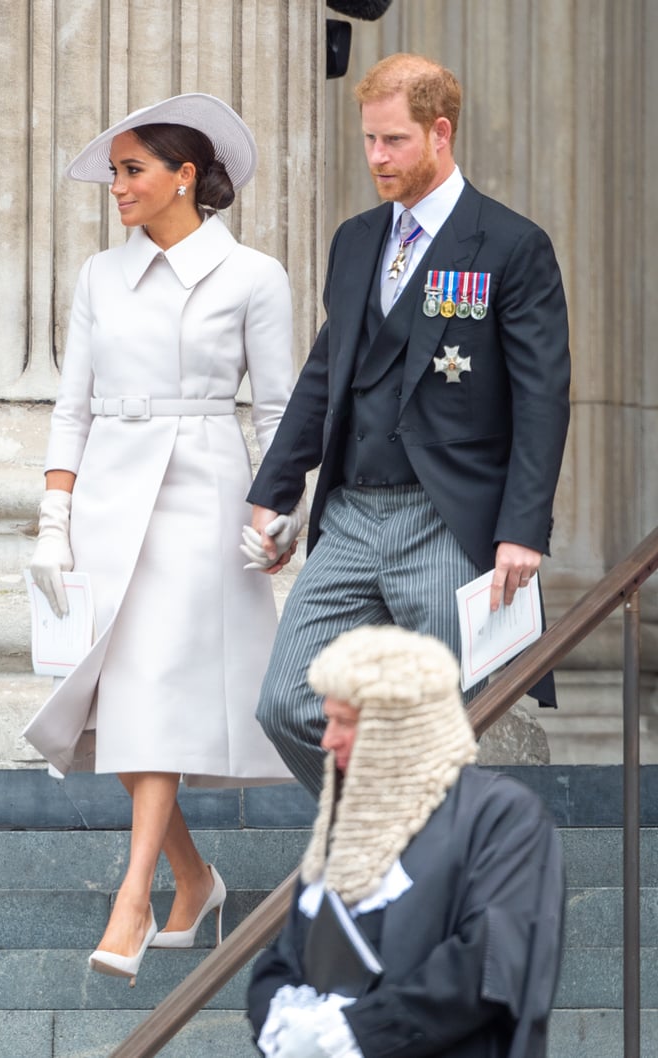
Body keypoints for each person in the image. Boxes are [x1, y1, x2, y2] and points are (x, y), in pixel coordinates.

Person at [241, 52, 572, 799]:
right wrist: (276, 488)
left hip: (446, 520)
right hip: (353, 515)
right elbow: (327, 372)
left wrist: (524, 527)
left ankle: (410, 874)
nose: (376, 158)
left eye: (392, 141)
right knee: (287, 701)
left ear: (440, 133)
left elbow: (543, 397)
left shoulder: (512, 246)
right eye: (368, 140)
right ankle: (388, 836)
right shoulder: (356, 239)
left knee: (441, 719)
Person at [22, 93, 294, 985]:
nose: (118, 186)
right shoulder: (100, 277)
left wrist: (279, 511)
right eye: (114, 171)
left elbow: (280, 411)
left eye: (132, 169)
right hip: (108, 496)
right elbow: (71, 405)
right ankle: (193, 878)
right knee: (125, 705)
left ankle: (131, 899)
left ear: (186, 175)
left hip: (205, 498)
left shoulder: (255, 275)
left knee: (162, 690)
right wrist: (53, 521)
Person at [247, 625, 566, 1058]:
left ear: (400, 727)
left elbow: (487, 963)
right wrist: (281, 1024)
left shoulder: (502, 816)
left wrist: (355, 1035)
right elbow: (285, 956)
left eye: (345, 722)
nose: (327, 739)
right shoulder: (351, 820)